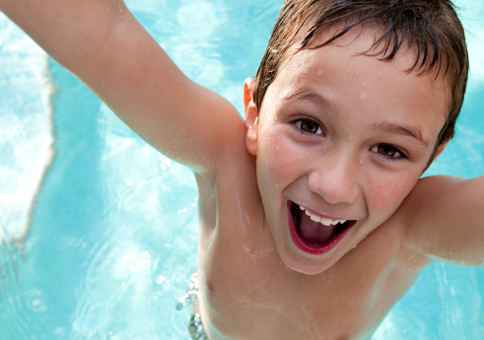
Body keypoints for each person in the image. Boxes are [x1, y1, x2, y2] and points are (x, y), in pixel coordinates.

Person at [0, 0, 482, 339]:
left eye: (390, 151)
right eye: (308, 124)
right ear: (254, 113)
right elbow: (105, 38)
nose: (332, 186)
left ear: (433, 159)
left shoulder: (412, 226)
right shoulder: (224, 160)